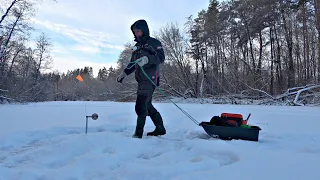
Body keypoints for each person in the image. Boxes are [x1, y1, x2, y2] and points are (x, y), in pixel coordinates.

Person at [116, 19, 166, 139]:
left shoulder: (154, 43)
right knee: (147, 105)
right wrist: (124, 73)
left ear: (144, 30)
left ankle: (138, 134)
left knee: (141, 105)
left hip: (151, 78)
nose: (137, 33)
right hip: (141, 79)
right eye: (135, 32)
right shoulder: (137, 47)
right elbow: (133, 63)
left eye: (139, 31)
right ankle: (160, 128)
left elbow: (161, 57)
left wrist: (148, 59)